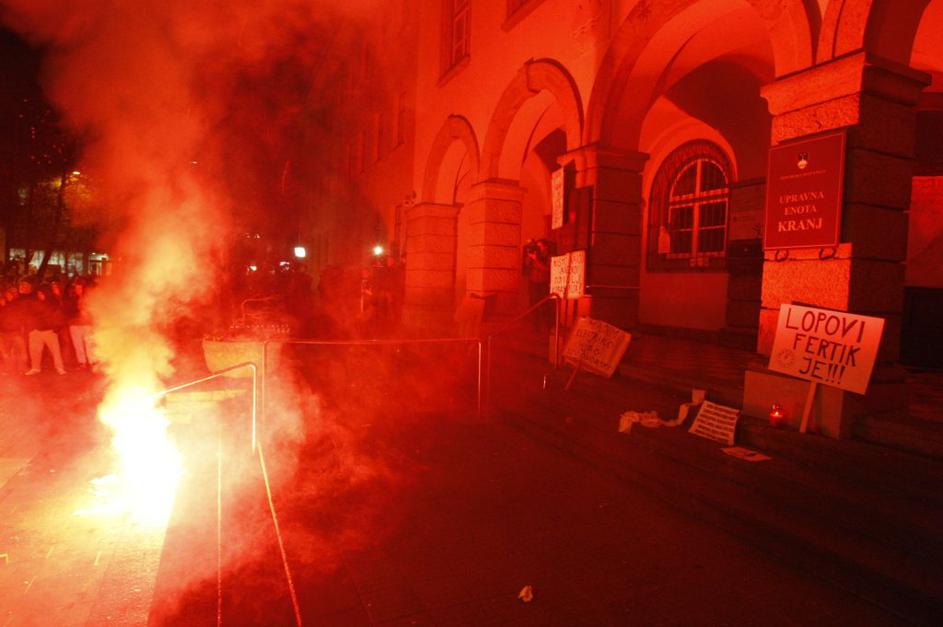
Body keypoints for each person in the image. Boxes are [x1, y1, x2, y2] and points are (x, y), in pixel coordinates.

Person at [25, 284, 67, 375]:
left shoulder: (53, 303)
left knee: (55, 351)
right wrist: (31, 329)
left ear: (46, 293)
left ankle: (59, 368)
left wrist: (56, 329)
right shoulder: (35, 302)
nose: (39, 295)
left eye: (41, 293)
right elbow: (29, 315)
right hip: (36, 331)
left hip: (49, 331)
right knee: (35, 351)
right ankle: (35, 368)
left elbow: (59, 316)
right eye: (38, 294)